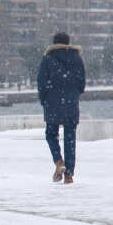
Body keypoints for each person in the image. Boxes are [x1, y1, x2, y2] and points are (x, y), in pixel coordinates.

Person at [37, 31, 86, 185]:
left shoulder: (48, 59)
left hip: (52, 103)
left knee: (51, 134)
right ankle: (69, 175)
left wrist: (44, 99)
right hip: (71, 103)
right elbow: (81, 83)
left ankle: (59, 162)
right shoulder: (77, 59)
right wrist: (74, 94)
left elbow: (42, 83)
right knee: (70, 138)